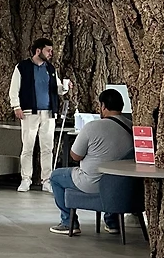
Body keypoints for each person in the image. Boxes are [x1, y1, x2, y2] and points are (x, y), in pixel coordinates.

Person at [49, 89, 133, 235]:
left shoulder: (92, 127)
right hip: (122, 185)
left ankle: (68, 222)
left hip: (91, 183)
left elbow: (75, 156)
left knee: (55, 176)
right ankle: (112, 222)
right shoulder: (132, 127)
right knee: (112, 178)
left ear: (103, 106)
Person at [10, 38, 67, 192]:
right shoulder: (22, 67)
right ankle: (25, 179)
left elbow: (58, 88)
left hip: (48, 113)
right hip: (29, 112)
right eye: (48, 50)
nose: (51, 53)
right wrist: (16, 106)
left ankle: (47, 180)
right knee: (28, 147)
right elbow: (14, 88)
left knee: (47, 148)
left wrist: (65, 88)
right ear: (38, 51)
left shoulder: (51, 68)